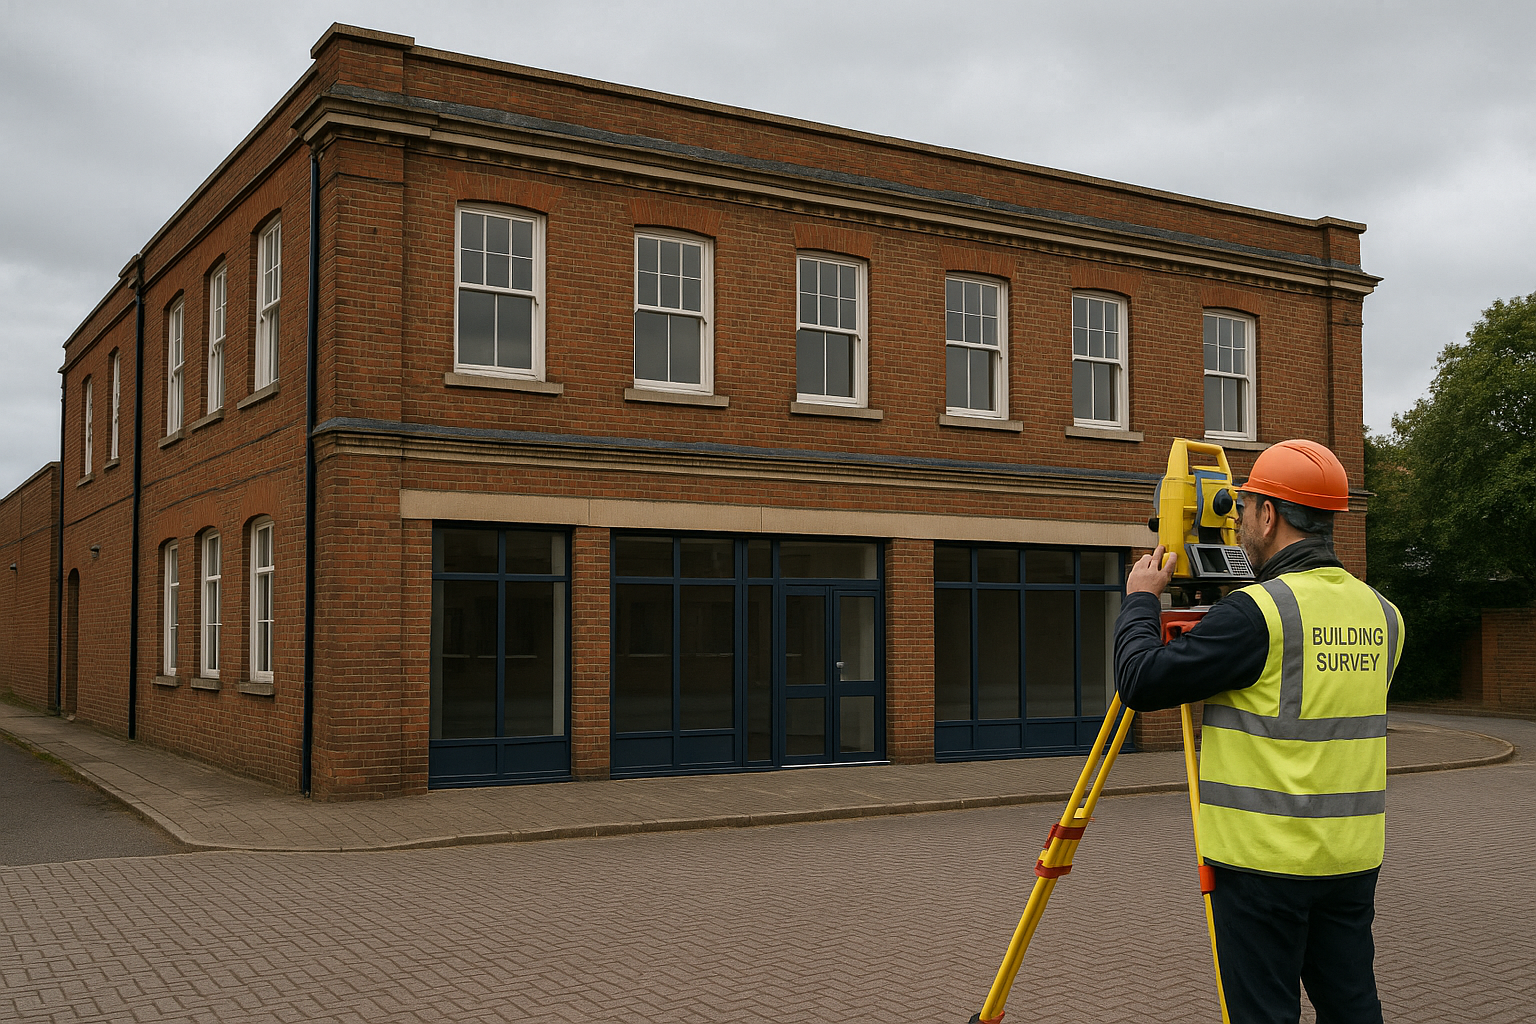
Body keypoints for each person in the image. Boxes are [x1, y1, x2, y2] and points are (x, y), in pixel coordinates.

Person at [1114, 439, 1405, 1024]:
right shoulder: (1384, 614)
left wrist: (1141, 602)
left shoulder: (1257, 615)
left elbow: (1140, 681)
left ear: (1268, 515)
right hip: (1350, 860)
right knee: (1352, 1006)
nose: (1239, 519)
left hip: (1262, 867)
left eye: (1245, 507)